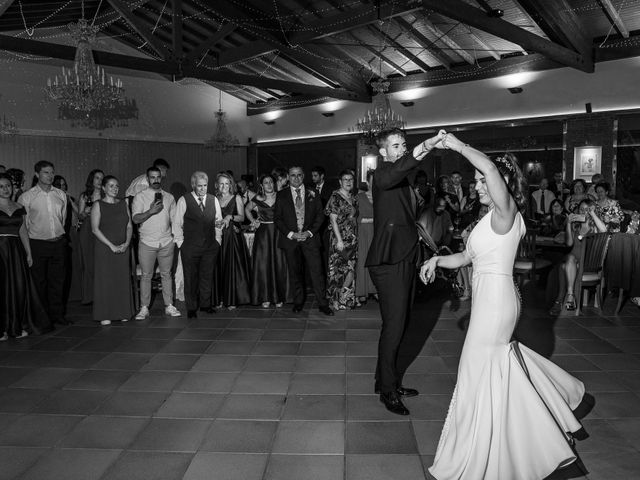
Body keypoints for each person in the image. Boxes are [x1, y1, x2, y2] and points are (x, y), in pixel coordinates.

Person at [421, 132, 592, 480]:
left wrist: (455, 145)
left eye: (483, 181)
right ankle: (505, 437)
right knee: (491, 369)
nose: (478, 185)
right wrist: (437, 262)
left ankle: (477, 450)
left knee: (474, 371)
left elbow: (487, 166)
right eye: (477, 182)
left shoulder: (506, 209)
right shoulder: (487, 219)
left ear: (500, 182)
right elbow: (466, 257)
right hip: (490, 297)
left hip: (496, 302)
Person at [366, 128, 445, 416]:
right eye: (395, 145)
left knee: (400, 324)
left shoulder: (401, 177)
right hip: (389, 262)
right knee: (395, 326)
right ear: (384, 152)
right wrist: (427, 144)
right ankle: (388, 390)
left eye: (404, 145)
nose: (401, 149)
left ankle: (385, 380)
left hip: (406, 257)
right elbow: (401, 167)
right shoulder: (382, 174)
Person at [274, 166, 333, 316]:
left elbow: (320, 216)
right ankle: (298, 302)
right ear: (288, 176)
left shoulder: (314, 193)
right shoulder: (281, 195)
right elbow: (278, 219)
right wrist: (291, 234)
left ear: (303, 176)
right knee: (295, 273)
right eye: (293, 175)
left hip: (310, 239)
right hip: (291, 240)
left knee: (317, 272)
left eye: (299, 175)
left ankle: (322, 303)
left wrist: (309, 232)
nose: (296, 178)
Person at [18, 160, 71, 325]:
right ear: (37, 174)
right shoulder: (26, 197)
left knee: (58, 281)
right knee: (39, 282)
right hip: (37, 244)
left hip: (58, 243)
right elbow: (23, 226)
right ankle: (42, 318)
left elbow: (62, 219)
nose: (50, 176)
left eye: (52, 172)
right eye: (46, 172)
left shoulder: (60, 195)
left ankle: (57, 315)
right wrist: (28, 251)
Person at [0, 173, 51, 340]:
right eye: (1, 186)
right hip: (0, 250)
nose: (5, 189)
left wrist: (28, 253)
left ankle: (17, 325)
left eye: (8, 185)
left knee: (18, 288)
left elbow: (22, 230)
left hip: (16, 251)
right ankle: (3, 329)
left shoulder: (18, 207)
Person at [131, 166, 180, 319]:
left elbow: (175, 220)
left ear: (161, 178)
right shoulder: (140, 196)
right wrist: (150, 211)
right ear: (147, 179)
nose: (156, 180)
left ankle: (169, 305)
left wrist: (174, 237)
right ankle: (144, 308)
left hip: (166, 242)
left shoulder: (169, 197)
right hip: (147, 242)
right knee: (146, 275)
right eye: (152, 177)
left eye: (158, 177)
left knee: (167, 275)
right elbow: (135, 219)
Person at [172, 171, 223, 318]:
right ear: (193, 185)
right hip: (190, 247)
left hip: (210, 246)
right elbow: (177, 224)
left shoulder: (213, 200)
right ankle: (192, 308)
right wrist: (182, 244)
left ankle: (205, 305)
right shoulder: (184, 200)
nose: (202, 189)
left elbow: (218, 222)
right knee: (190, 278)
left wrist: (218, 241)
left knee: (207, 276)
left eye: (205, 185)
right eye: (199, 186)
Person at [549, 198, 607, 314]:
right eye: (581, 209)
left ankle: (559, 301)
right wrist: (569, 224)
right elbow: (569, 243)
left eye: (586, 210)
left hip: (586, 262)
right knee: (568, 259)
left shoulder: (594, 227)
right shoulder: (576, 226)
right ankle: (570, 295)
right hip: (573, 258)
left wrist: (592, 214)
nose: (583, 212)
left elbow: (604, 230)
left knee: (563, 266)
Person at [91, 176, 134, 325]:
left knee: (121, 279)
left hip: (123, 247)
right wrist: (111, 245)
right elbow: (95, 229)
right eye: (111, 186)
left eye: (116, 186)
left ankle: (123, 311)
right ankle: (105, 314)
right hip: (105, 248)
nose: (115, 189)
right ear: (103, 188)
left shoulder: (124, 203)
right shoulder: (98, 205)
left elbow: (129, 226)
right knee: (105, 280)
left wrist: (127, 243)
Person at [245, 174, 291, 308]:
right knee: (263, 264)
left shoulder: (281, 196)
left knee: (279, 263)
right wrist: (254, 221)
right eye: (266, 183)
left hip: (279, 232)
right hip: (263, 234)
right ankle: (265, 297)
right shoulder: (257, 198)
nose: (269, 185)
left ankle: (279, 297)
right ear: (261, 185)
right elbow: (247, 209)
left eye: (271, 182)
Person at [216, 172, 251, 309]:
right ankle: (220, 298)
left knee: (231, 267)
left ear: (231, 184)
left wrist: (230, 216)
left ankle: (232, 299)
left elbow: (242, 218)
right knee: (219, 266)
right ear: (217, 185)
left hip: (232, 236)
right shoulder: (214, 198)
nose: (224, 186)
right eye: (221, 183)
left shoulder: (236, 197)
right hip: (217, 236)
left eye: (227, 183)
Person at [325, 169, 359, 310]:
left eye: (351, 179)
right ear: (340, 181)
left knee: (350, 269)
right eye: (345, 179)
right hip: (339, 240)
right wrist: (339, 240)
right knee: (337, 271)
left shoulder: (353, 198)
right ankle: (335, 300)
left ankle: (346, 299)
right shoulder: (335, 197)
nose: (348, 182)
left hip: (352, 240)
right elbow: (333, 221)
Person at [77, 169, 104, 305]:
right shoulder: (85, 196)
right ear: (91, 180)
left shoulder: (107, 195)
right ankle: (89, 296)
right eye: (97, 178)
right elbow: (80, 215)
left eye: (101, 178)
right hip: (87, 229)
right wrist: (85, 212)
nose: (99, 181)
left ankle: (102, 294)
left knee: (101, 262)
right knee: (88, 263)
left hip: (103, 229)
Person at [355, 171, 376, 304]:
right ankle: (362, 291)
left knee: (376, 261)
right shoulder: (359, 197)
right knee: (363, 260)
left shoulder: (383, 198)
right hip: (363, 233)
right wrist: (373, 220)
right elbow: (356, 218)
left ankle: (375, 289)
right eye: (373, 181)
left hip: (378, 234)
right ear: (367, 182)